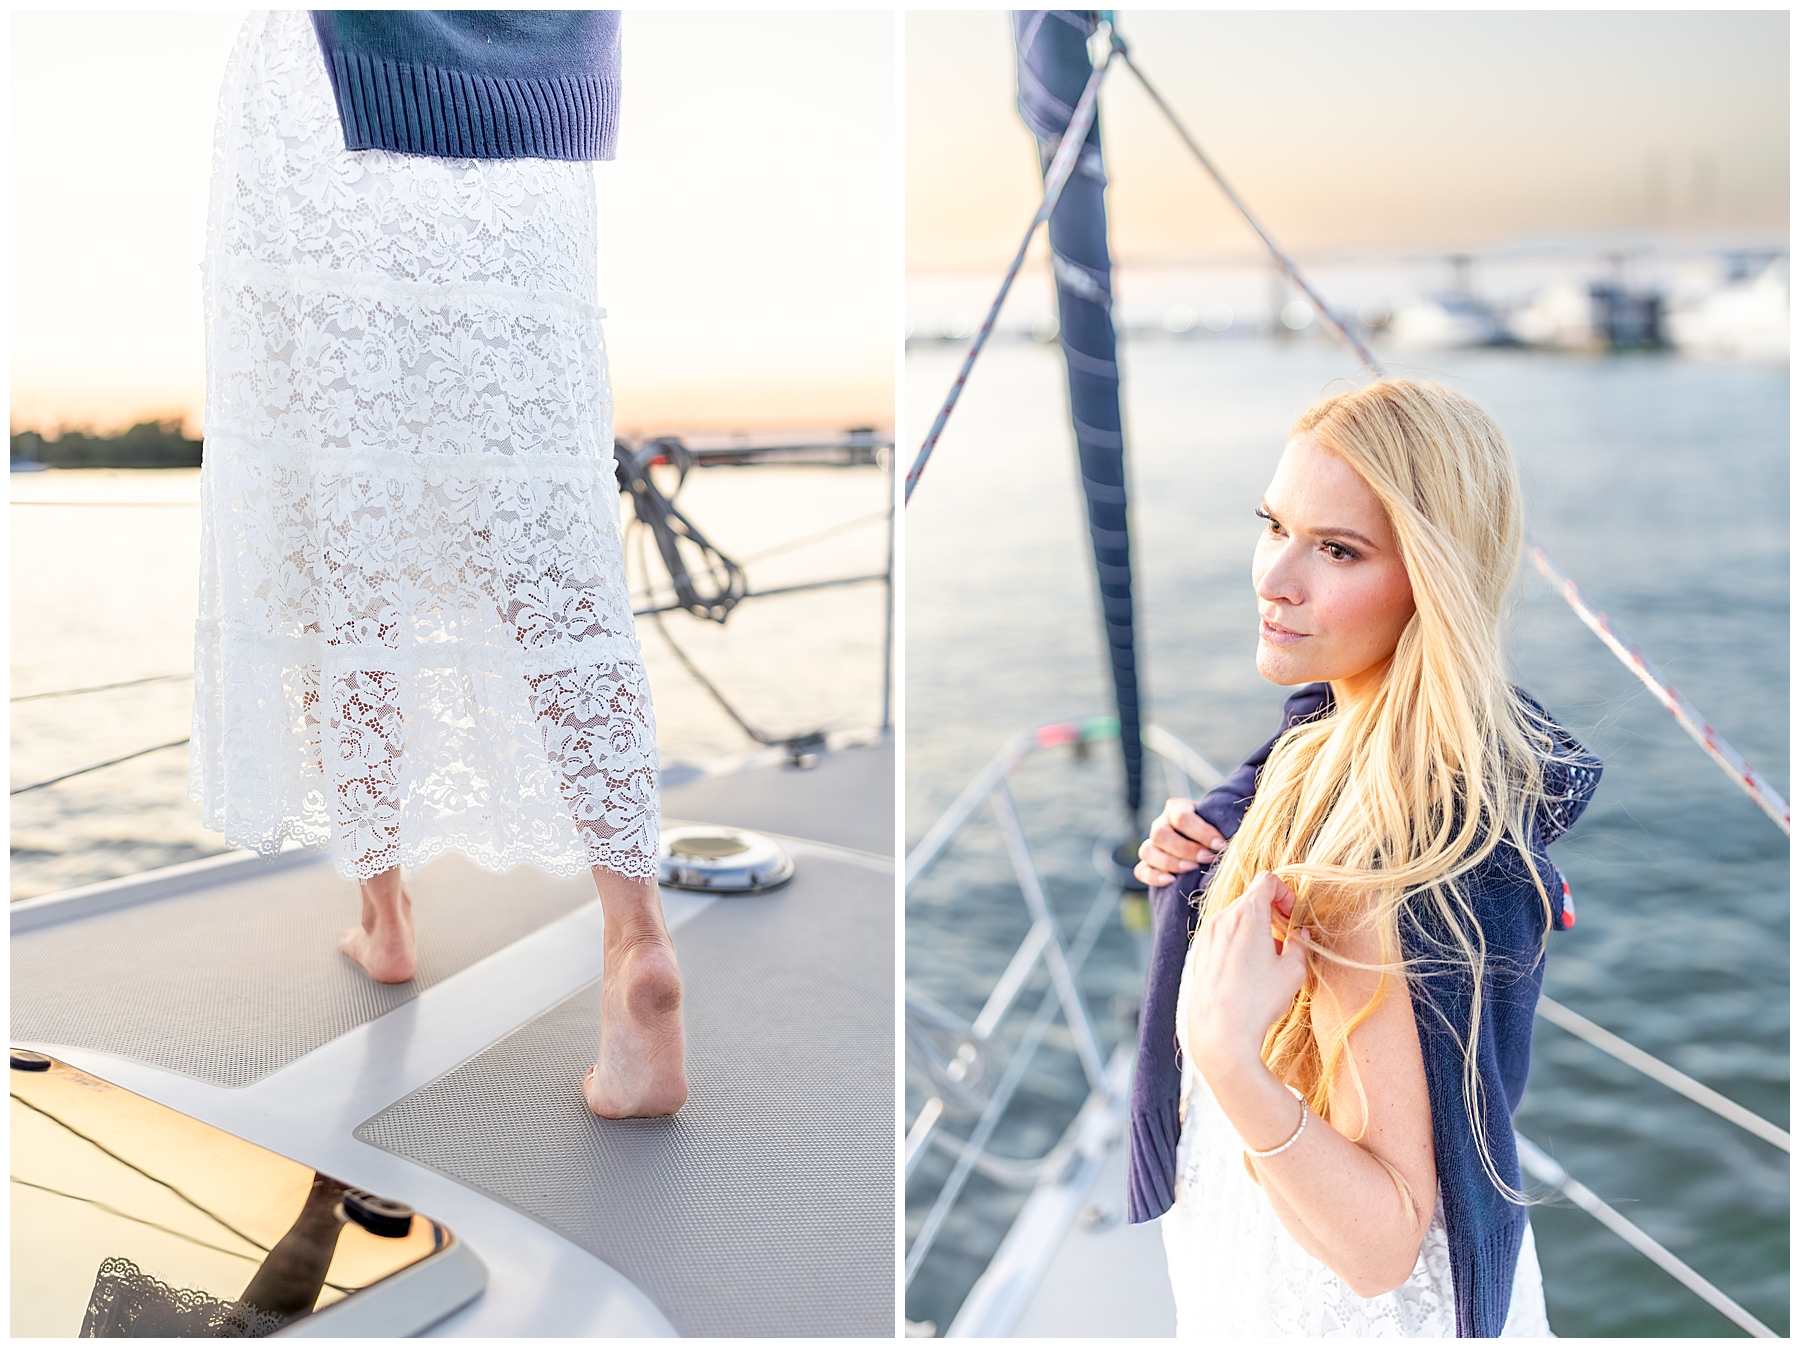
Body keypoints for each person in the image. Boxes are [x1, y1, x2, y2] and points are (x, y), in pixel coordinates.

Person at [188, 11, 685, 1118]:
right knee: (544, 520)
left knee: (338, 506)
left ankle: (386, 915)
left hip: (335, 75)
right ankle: (636, 935)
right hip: (532, 97)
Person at [1129, 380, 1602, 1336]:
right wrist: (1204, 855)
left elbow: (1383, 1247)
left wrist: (1228, 1055)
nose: (1275, 577)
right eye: (1274, 526)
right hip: (1256, 1247)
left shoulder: (1400, 856)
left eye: (1337, 550)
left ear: (1432, 578)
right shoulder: (1320, 741)